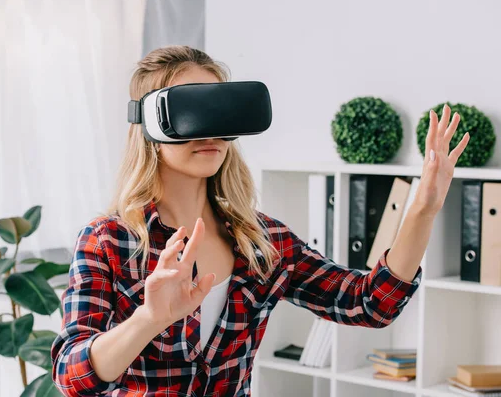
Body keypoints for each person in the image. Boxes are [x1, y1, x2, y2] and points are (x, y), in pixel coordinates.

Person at [50, 45, 470, 397]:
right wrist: (149, 319)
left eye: (222, 109)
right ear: (150, 125)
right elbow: (72, 377)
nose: (211, 128)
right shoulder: (108, 240)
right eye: (195, 108)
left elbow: (369, 304)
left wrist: (423, 209)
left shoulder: (263, 242)